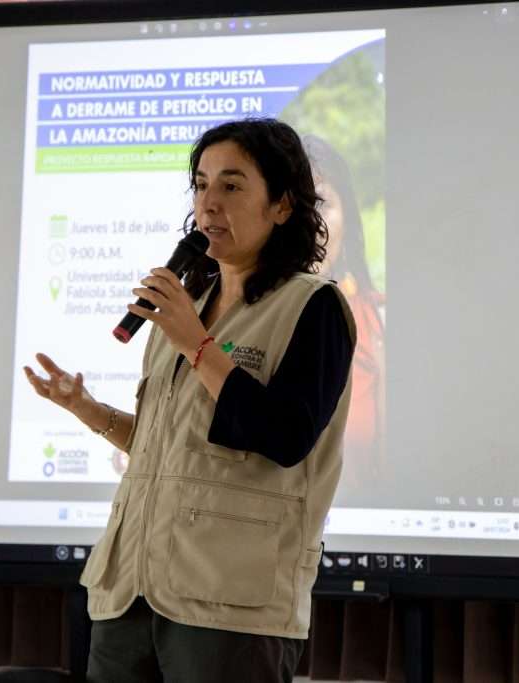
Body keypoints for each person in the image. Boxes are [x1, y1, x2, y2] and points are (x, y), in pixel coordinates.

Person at [23, 118, 356, 683]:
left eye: (231, 186)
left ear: (281, 206)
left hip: (230, 605)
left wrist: (198, 346)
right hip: (130, 593)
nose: (209, 203)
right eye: (200, 185)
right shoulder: (186, 305)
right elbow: (173, 445)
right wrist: (90, 412)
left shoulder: (312, 307)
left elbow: (286, 437)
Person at [304, 135, 387, 504]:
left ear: (348, 218)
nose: (305, 222)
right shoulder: (232, 327)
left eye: (320, 203)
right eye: (288, 205)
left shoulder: (385, 324)